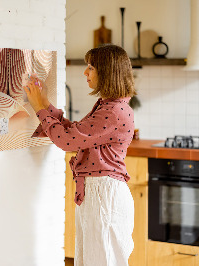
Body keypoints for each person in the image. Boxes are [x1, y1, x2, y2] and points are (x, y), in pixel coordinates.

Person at [24, 44, 136, 266]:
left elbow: (67, 141)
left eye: (91, 67)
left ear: (107, 72)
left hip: (104, 195)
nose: (85, 72)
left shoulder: (113, 111)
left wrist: (39, 108)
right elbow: (75, 133)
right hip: (99, 193)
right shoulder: (109, 106)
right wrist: (45, 104)